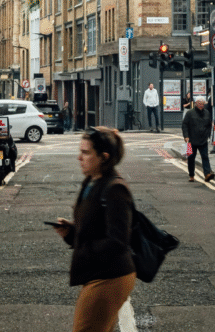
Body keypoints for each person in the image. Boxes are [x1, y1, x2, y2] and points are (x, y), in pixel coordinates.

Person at [52, 127, 135, 332]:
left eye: (86, 152)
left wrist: (86, 250)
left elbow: (118, 241)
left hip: (110, 276)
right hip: (97, 273)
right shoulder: (91, 181)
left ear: (103, 157)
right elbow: (94, 229)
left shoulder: (115, 188)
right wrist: (71, 233)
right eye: (80, 151)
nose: (79, 158)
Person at [181, 98, 214, 182]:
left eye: (202, 103)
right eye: (199, 103)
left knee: (205, 157)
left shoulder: (207, 113)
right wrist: (186, 136)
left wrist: (208, 135)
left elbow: (209, 125)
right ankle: (191, 175)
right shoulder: (190, 113)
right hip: (192, 140)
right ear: (196, 103)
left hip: (203, 140)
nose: (201, 105)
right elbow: (184, 125)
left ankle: (207, 174)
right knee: (191, 158)